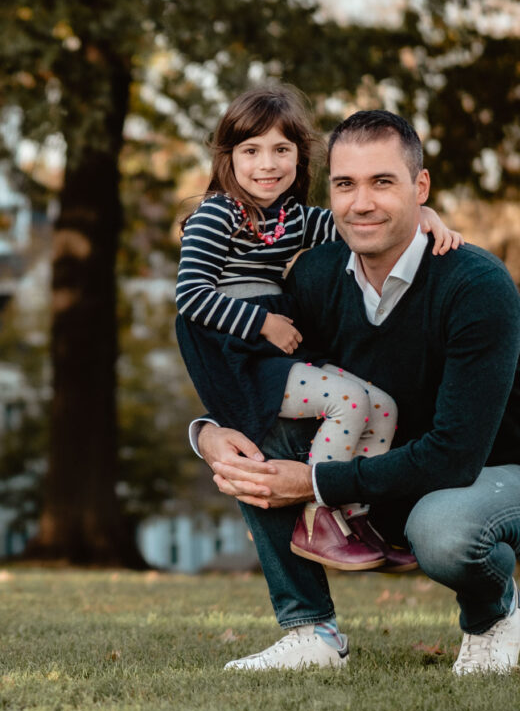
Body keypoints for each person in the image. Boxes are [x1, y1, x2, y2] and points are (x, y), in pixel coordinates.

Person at [197, 109, 520, 675]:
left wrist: (317, 482)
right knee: (260, 437)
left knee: (442, 530)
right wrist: (209, 434)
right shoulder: (317, 274)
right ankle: (312, 632)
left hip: (501, 478)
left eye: (382, 182)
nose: (361, 203)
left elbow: (455, 454)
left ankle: (494, 613)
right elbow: (268, 377)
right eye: (345, 184)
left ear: (420, 188)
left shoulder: (475, 285)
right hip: (387, 477)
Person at [176, 86, 462, 573]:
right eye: (251, 151)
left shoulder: (290, 218)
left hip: (270, 350)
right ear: (229, 157)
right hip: (237, 352)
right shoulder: (216, 213)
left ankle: (354, 519)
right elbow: (191, 296)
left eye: (281, 150)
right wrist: (262, 323)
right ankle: (319, 521)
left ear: (298, 156)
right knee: (347, 401)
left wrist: (424, 215)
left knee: (382, 406)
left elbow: (358, 222)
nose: (267, 164)